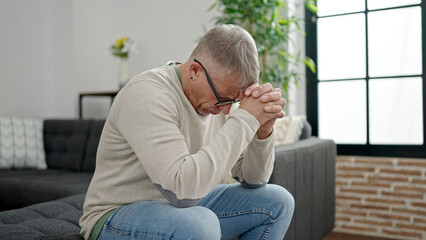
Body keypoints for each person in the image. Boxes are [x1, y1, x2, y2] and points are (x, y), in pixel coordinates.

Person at [80, 24, 294, 240]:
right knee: (199, 225)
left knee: (278, 201)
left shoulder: (221, 100)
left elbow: (254, 179)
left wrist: (263, 132)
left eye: (235, 101)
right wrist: (245, 120)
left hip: (181, 209)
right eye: (224, 99)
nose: (228, 110)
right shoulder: (147, 94)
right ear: (194, 71)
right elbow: (181, 192)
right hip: (116, 214)